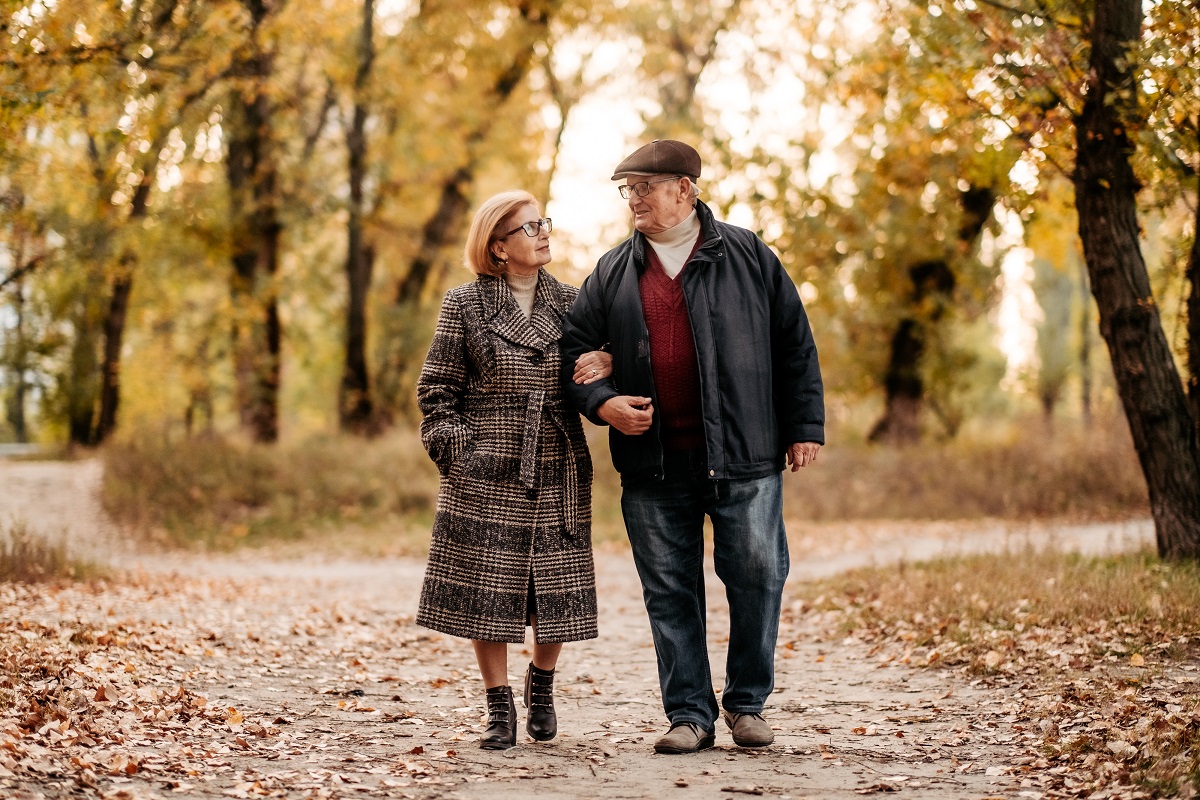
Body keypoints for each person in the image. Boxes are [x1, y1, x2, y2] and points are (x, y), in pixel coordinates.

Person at [560, 140, 824, 754]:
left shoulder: (748, 254)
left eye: (645, 187)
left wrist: (803, 425)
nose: (635, 199)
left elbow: (794, 342)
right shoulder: (612, 270)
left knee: (758, 576)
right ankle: (689, 715)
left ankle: (747, 705)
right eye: (627, 189)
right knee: (669, 590)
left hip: (745, 454)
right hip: (654, 464)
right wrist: (603, 401)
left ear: (685, 189)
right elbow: (575, 349)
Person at [416, 190, 612, 750]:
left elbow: (599, 368)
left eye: (543, 223)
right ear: (498, 247)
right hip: (486, 460)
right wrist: (458, 451)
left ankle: (542, 685)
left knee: (556, 586)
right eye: (529, 228)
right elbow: (437, 390)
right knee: (489, 589)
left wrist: (611, 366)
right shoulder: (464, 304)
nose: (544, 233)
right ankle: (498, 704)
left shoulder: (574, 302)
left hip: (555, 455)